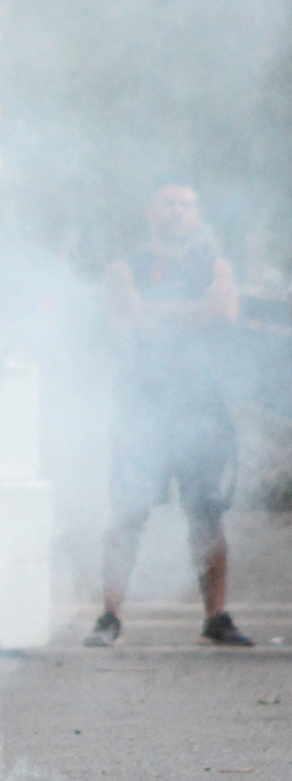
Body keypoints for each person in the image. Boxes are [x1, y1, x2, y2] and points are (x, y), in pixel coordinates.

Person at [84, 182, 250, 647]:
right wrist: (193, 311)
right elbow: (125, 320)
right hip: (143, 405)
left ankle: (216, 617)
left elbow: (225, 312)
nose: (177, 212)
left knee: (207, 513)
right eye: (168, 204)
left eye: (187, 205)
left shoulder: (214, 266)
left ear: (197, 216)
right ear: (150, 213)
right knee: (129, 511)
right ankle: (108, 616)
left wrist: (155, 309)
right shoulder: (124, 269)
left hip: (202, 404)